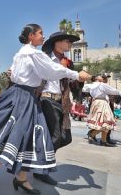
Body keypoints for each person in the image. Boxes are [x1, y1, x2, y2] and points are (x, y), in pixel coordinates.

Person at [0, 24, 90, 194]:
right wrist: (75, 74)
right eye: (40, 33)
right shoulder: (33, 53)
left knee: (26, 136)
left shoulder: (21, 53)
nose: (43, 37)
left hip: (19, 94)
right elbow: (51, 71)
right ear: (31, 36)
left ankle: (20, 178)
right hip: (25, 97)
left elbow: (15, 75)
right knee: (21, 134)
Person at [33, 31, 81, 185]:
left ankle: (38, 161)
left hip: (62, 101)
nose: (70, 45)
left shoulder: (67, 62)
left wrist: (79, 85)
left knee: (65, 137)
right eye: (68, 41)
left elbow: (73, 83)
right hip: (45, 99)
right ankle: (41, 169)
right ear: (58, 42)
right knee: (55, 136)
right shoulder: (44, 58)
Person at [84, 74, 121, 147]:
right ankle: (93, 134)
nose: (104, 79)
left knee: (105, 122)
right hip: (102, 103)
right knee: (107, 121)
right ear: (97, 78)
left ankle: (102, 140)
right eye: (103, 77)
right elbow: (113, 90)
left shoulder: (91, 85)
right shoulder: (101, 85)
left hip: (96, 103)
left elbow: (84, 89)